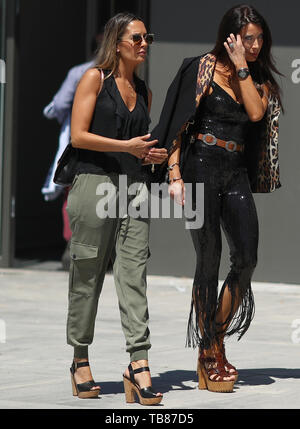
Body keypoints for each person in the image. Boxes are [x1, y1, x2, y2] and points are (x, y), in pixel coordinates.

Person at [151, 4, 283, 393]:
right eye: (248, 39)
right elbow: (176, 124)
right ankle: (211, 352)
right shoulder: (199, 68)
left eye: (260, 38)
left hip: (235, 170)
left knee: (246, 257)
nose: (256, 45)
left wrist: (243, 65)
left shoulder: (255, 77)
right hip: (199, 169)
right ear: (230, 36)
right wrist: (173, 175)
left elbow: (256, 114)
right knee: (207, 258)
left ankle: (214, 336)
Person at [67, 12, 167, 404]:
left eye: (148, 38)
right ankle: (80, 360)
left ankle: (138, 364)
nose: (144, 44)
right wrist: (127, 147)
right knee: (87, 273)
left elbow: (138, 147)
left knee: (134, 275)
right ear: (118, 41)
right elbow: (78, 135)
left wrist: (150, 156)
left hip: (134, 188)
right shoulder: (95, 79)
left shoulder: (145, 92)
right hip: (94, 184)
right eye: (137, 38)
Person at [42, 34, 103, 270]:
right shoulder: (121, 75)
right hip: (108, 146)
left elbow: (57, 105)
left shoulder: (81, 73)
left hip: (80, 146)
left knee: (74, 193)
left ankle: (74, 245)